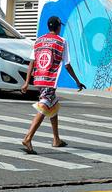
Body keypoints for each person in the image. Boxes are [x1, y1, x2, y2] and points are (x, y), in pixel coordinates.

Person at [20, 15, 86, 154]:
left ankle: (56, 139)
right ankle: (28, 138)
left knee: (53, 106)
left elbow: (32, 62)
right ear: (58, 27)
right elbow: (67, 65)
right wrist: (77, 81)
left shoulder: (39, 41)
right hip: (49, 80)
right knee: (44, 107)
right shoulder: (62, 42)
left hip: (38, 79)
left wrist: (27, 82)